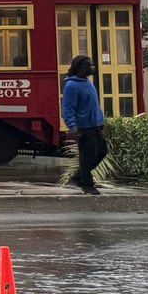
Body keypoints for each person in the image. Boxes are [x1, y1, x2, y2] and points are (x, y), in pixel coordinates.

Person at [61, 55, 106, 195]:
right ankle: (87, 184)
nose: (92, 67)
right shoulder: (71, 86)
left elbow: (93, 105)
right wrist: (73, 127)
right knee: (87, 156)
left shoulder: (87, 82)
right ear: (79, 68)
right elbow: (67, 109)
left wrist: (100, 121)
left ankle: (78, 176)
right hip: (84, 127)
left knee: (102, 151)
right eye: (88, 65)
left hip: (95, 125)